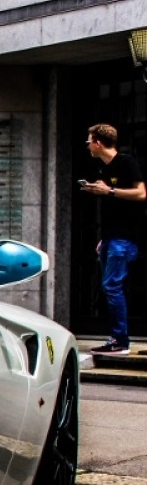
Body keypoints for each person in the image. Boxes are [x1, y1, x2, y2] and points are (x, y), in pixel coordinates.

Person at [83, 123, 147, 356]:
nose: (88, 145)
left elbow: (141, 193)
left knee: (112, 285)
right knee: (111, 286)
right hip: (111, 238)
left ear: (98, 143)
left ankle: (120, 341)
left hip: (125, 238)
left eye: (89, 141)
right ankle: (117, 338)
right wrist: (104, 238)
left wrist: (109, 191)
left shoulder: (127, 162)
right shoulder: (104, 168)